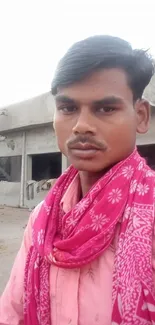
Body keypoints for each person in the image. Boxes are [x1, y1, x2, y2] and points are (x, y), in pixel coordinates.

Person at [0, 35, 155, 325]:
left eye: (106, 109)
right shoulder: (42, 220)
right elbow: (12, 312)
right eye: (68, 108)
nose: (82, 125)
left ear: (141, 116)